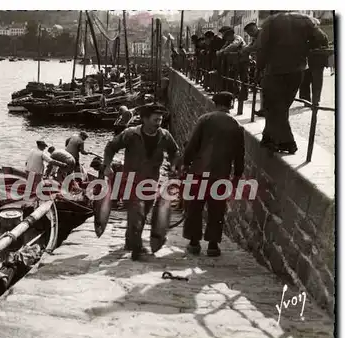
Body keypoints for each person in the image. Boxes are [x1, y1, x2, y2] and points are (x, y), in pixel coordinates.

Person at [103, 103, 181, 261]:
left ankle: (130, 242)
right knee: (136, 212)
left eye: (160, 120)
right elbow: (111, 147)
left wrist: (174, 164)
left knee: (143, 212)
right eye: (155, 120)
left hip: (152, 180)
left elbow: (174, 151)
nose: (158, 123)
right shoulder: (130, 134)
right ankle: (137, 250)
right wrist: (107, 166)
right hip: (131, 180)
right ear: (144, 119)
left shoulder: (165, 135)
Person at [181, 92, 245, 257]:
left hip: (200, 172)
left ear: (215, 103)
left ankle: (194, 243)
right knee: (217, 209)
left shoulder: (205, 119)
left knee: (195, 206)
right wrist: (237, 174)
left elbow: (193, 144)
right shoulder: (236, 125)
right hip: (221, 174)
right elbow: (240, 154)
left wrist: (185, 163)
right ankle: (213, 245)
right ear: (231, 105)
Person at [256, 11, 327, 154]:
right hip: (297, 69)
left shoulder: (271, 22)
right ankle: (269, 138)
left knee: (273, 105)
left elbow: (262, 47)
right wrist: (305, 48)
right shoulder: (304, 19)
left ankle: (288, 142)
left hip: (275, 70)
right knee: (282, 106)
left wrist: (259, 68)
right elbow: (322, 38)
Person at [298, 19, 329, 107]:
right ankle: (312, 100)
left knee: (311, 82)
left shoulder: (317, 34)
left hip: (315, 62)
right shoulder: (315, 34)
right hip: (314, 62)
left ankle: (309, 100)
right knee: (312, 82)